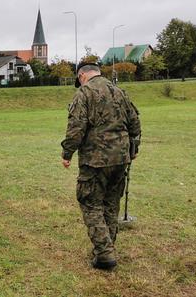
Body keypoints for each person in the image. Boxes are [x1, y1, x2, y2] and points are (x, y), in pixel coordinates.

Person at [61, 63, 141, 270]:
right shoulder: (119, 91)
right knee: (110, 203)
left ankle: (104, 253)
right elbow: (135, 124)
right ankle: (107, 247)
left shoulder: (85, 92)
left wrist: (67, 153)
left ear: (81, 76)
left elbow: (76, 127)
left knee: (90, 202)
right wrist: (133, 149)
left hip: (95, 159)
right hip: (121, 158)